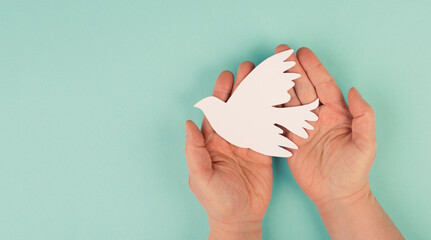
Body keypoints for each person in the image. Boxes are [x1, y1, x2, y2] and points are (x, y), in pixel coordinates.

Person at [184, 44, 404, 240]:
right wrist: (234, 226)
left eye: (209, 107)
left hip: (269, 123)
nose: (207, 110)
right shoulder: (226, 122)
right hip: (267, 129)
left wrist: (233, 228)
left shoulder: (233, 111)